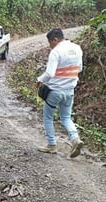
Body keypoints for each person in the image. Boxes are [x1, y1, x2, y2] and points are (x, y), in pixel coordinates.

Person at [36, 28, 84, 158]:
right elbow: (79, 68)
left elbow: (50, 74)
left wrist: (39, 80)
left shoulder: (56, 52)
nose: (50, 45)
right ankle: (75, 139)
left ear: (55, 39)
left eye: (50, 42)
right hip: (69, 91)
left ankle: (51, 145)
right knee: (66, 117)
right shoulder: (77, 48)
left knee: (48, 117)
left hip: (55, 91)